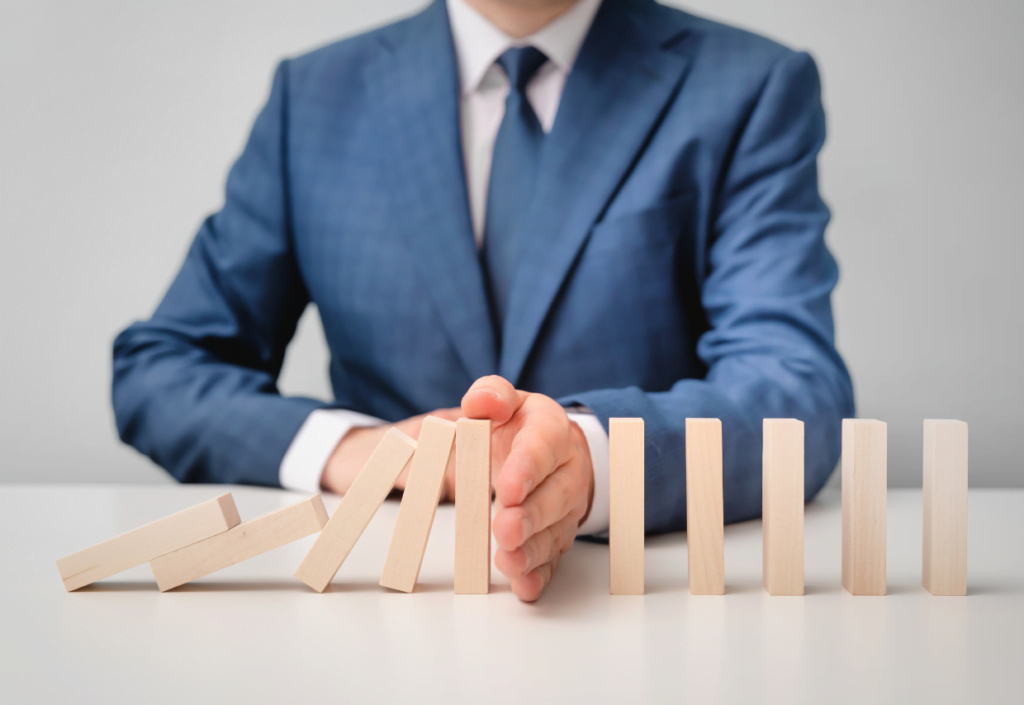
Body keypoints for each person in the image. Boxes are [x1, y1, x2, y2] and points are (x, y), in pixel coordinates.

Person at [112, 0, 855, 602]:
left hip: (638, 606)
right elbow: (162, 368)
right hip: (380, 604)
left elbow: (796, 390)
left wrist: (590, 454)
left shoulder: (748, 85)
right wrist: (363, 453)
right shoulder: (314, 97)